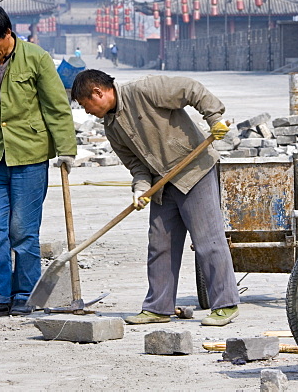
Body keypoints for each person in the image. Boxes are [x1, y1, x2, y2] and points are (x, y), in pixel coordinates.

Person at [70, 69, 238, 326]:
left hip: (194, 172)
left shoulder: (145, 90)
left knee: (208, 241)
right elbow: (136, 164)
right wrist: (140, 188)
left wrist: (214, 118)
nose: (87, 111)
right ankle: (158, 307)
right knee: (160, 244)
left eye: (85, 105)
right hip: (162, 184)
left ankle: (225, 304)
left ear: (98, 92)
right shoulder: (112, 127)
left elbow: (191, 88)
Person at [0, 5, 77, 317]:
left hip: (30, 155)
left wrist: (66, 148)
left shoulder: (36, 58)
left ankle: (26, 295)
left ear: (8, 33)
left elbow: (56, 107)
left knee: (23, 230)